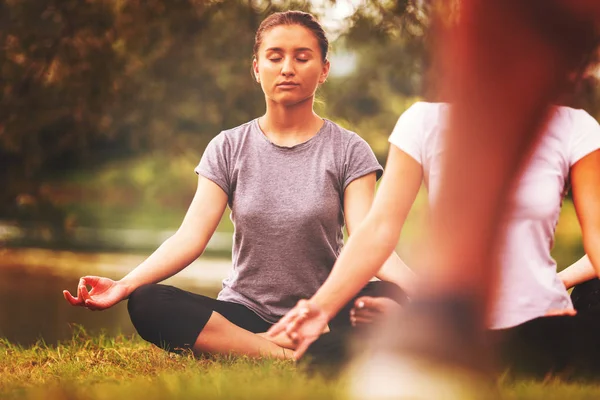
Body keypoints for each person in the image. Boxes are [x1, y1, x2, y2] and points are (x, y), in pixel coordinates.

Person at [271, 3, 600, 397]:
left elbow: (596, 236)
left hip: (543, 320)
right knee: (323, 354)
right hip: (460, 319)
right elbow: (378, 229)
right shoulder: (422, 122)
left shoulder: (576, 128)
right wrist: (319, 307)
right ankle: (437, 334)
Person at [62, 10, 414, 359]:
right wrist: (124, 286)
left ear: (323, 70)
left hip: (325, 308)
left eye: (302, 57)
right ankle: (284, 353)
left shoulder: (349, 149)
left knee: (386, 298)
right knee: (148, 301)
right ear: (257, 68)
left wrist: (426, 292)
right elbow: (190, 238)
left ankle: (254, 346)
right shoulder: (228, 147)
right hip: (246, 313)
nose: (287, 68)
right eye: (275, 57)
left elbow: (372, 239)